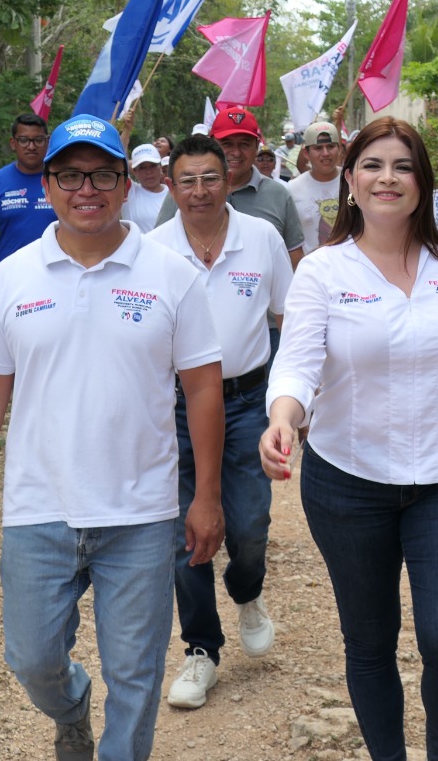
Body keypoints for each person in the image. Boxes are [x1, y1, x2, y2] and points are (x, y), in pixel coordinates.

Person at [259, 116, 438, 761]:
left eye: (403, 166)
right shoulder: (323, 272)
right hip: (347, 481)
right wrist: (283, 417)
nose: (387, 178)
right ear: (351, 181)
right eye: (372, 165)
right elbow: (299, 363)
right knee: (369, 640)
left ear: (422, 183)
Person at [0, 113, 227, 761]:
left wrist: (205, 495)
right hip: (40, 506)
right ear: (47, 185)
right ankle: (70, 707)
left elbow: (204, 388)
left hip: (141, 512)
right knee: (32, 657)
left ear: (127, 184)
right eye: (70, 175)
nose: (86, 188)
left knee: (136, 673)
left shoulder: (170, 275)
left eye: (102, 174)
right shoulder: (15, 277)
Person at [147, 135, 294, 710]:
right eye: (188, 180)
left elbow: (291, 318)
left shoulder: (262, 239)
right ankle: (200, 651)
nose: (200, 190)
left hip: (247, 401)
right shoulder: (153, 250)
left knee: (249, 522)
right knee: (186, 529)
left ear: (228, 180)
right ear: (171, 185)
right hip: (175, 408)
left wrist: (295, 398)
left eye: (211, 177)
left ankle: (248, 591)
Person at [156, 106, 303, 268]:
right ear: (212, 145)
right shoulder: (183, 194)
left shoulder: (279, 194)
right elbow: (159, 249)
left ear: (256, 146)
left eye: (244, 144)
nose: (236, 152)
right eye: (227, 144)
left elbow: (294, 259)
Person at [0, 113, 57, 323]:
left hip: (59, 278)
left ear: (47, 141)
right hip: (12, 282)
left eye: (38, 140)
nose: (31, 146)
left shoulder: (62, 179)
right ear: (13, 143)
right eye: (24, 140)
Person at [285, 120, 342, 256]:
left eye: (331, 146)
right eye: (318, 148)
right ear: (306, 153)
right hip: (312, 272)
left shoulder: (354, 181)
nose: (325, 153)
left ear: (339, 149)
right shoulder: (292, 189)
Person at [125, 143, 169, 232]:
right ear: (134, 171)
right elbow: (118, 161)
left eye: (152, 166)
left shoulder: (173, 193)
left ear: (160, 167)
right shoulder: (129, 192)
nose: (148, 172)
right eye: (142, 168)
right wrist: (127, 131)